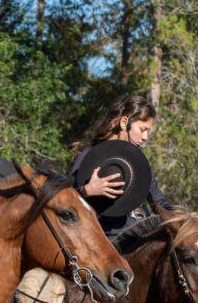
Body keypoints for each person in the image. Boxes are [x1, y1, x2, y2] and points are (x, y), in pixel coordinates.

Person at [71, 94, 173, 235]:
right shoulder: (89, 156)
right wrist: (87, 190)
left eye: (148, 131)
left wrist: (185, 219)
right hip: (104, 244)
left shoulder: (140, 163)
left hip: (140, 243)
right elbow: (64, 204)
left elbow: (160, 203)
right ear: (125, 122)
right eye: (142, 130)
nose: (145, 138)